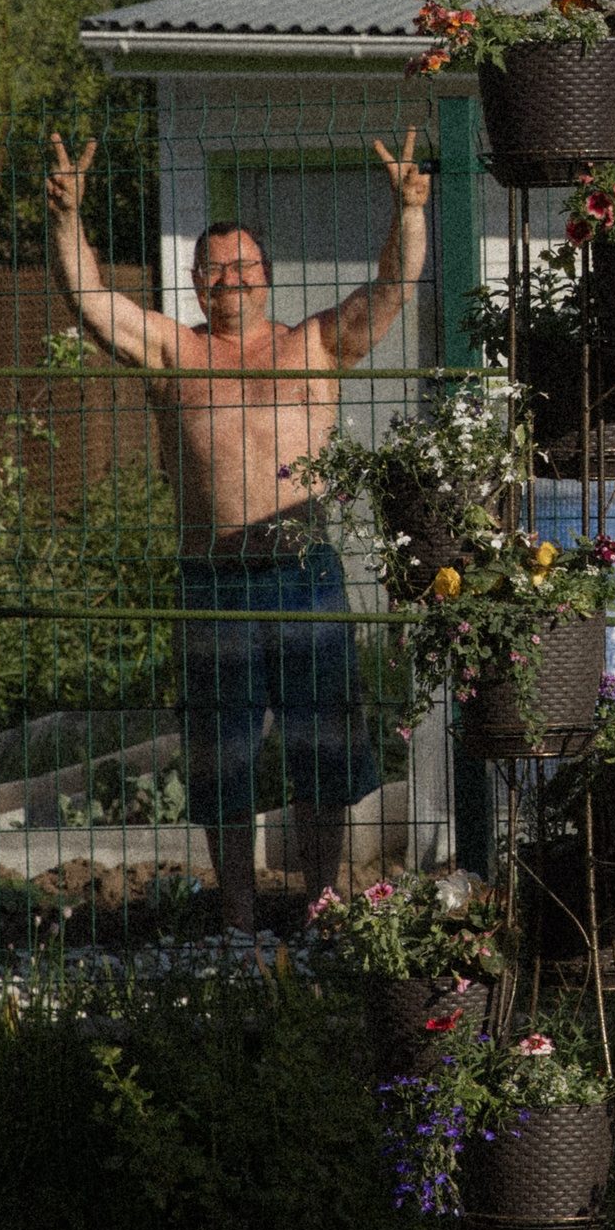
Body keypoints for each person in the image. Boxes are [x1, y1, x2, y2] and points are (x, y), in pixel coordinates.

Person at [45, 129, 433, 933]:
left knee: (323, 759)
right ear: (196, 282)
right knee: (223, 762)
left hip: (305, 576)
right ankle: (238, 919)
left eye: (244, 264)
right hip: (211, 580)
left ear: (266, 275)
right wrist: (67, 220)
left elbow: (393, 287)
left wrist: (409, 209)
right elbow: (89, 303)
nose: (232, 277)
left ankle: (321, 908)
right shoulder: (172, 352)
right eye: (216, 267)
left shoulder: (315, 345)